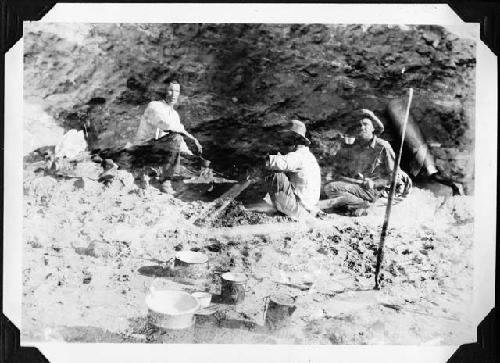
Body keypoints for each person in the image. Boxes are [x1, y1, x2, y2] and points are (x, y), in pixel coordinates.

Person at [321, 109, 411, 215]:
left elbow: (394, 176)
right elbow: (340, 167)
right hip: (360, 186)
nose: (362, 128)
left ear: (373, 128)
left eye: (366, 124)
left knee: (331, 188)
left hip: (377, 190)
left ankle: (363, 206)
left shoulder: (382, 146)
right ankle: (353, 206)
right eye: (359, 125)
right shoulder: (354, 146)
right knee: (325, 188)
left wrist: (375, 183)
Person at [133, 81, 203, 192]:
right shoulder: (154, 106)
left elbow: (180, 144)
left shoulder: (174, 114)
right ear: (164, 91)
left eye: (177, 91)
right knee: (176, 138)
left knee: (189, 160)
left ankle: (157, 171)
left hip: (158, 151)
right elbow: (165, 124)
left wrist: (192, 157)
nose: (173, 94)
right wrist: (190, 137)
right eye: (170, 90)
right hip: (142, 150)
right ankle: (165, 180)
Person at [252, 119, 322, 220]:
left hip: (300, 207)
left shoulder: (299, 155)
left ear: (295, 141)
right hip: (307, 204)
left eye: (288, 139)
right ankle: (280, 206)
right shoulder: (307, 156)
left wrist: (260, 161)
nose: (284, 143)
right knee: (276, 171)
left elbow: (281, 163)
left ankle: (283, 208)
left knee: (273, 172)